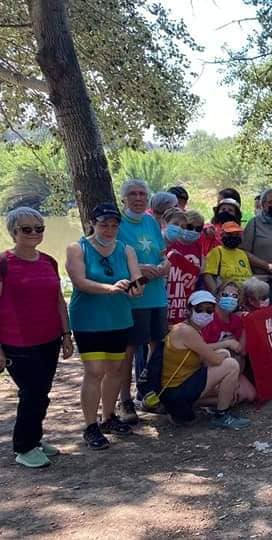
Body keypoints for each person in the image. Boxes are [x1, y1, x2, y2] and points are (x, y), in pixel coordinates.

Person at [0, 208, 73, 467]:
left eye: (39, 228)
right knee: (31, 392)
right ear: (13, 232)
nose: (34, 233)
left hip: (49, 339)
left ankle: (35, 438)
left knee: (42, 392)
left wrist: (66, 334)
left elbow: (58, 300)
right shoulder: (4, 263)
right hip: (17, 343)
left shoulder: (49, 261)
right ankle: (23, 447)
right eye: (26, 229)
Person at [66, 203, 143, 450]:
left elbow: (136, 278)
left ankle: (109, 417)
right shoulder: (78, 248)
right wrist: (110, 289)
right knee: (95, 370)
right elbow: (80, 282)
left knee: (116, 368)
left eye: (113, 225)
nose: (109, 229)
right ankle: (90, 426)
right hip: (88, 318)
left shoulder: (126, 249)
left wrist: (135, 288)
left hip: (119, 317)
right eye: (103, 224)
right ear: (92, 223)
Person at [157, 291, 251, 429]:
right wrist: (225, 349)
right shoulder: (187, 331)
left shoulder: (188, 328)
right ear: (189, 310)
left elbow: (203, 353)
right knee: (231, 365)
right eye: (199, 309)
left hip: (176, 389)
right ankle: (222, 415)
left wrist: (222, 350)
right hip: (177, 389)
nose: (205, 314)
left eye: (209, 310)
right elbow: (216, 360)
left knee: (230, 395)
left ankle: (181, 408)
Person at [118, 178, 170, 427]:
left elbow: (162, 254)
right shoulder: (117, 225)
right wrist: (138, 269)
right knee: (129, 350)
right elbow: (112, 261)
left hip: (157, 294)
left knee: (157, 345)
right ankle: (125, 400)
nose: (138, 198)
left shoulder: (151, 221)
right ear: (124, 199)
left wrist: (164, 266)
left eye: (142, 194)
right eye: (133, 194)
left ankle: (148, 393)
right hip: (133, 297)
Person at [201, 282, 256, 403]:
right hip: (208, 366)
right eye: (225, 294)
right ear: (217, 296)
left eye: (234, 296)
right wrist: (226, 343)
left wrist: (246, 323)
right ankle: (192, 402)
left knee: (250, 395)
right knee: (231, 395)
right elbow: (200, 348)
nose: (230, 298)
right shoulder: (208, 318)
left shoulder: (236, 320)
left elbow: (242, 351)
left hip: (234, 367)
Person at [162, 209, 202, 326]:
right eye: (189, 227)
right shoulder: (170, 244)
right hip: (167, 297)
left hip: (187, 299)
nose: (193, 231)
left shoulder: (198, 246)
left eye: (198, 229)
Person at [203, 221, 253, 291]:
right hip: (227, 293)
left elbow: (249, 276)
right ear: (221, 235)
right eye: (229, 234)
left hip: (244, 292)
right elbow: (207, 274)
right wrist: (216, 293)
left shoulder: (242, 253)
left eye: (237, 235)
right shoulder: (217, 252)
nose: (233, 237)